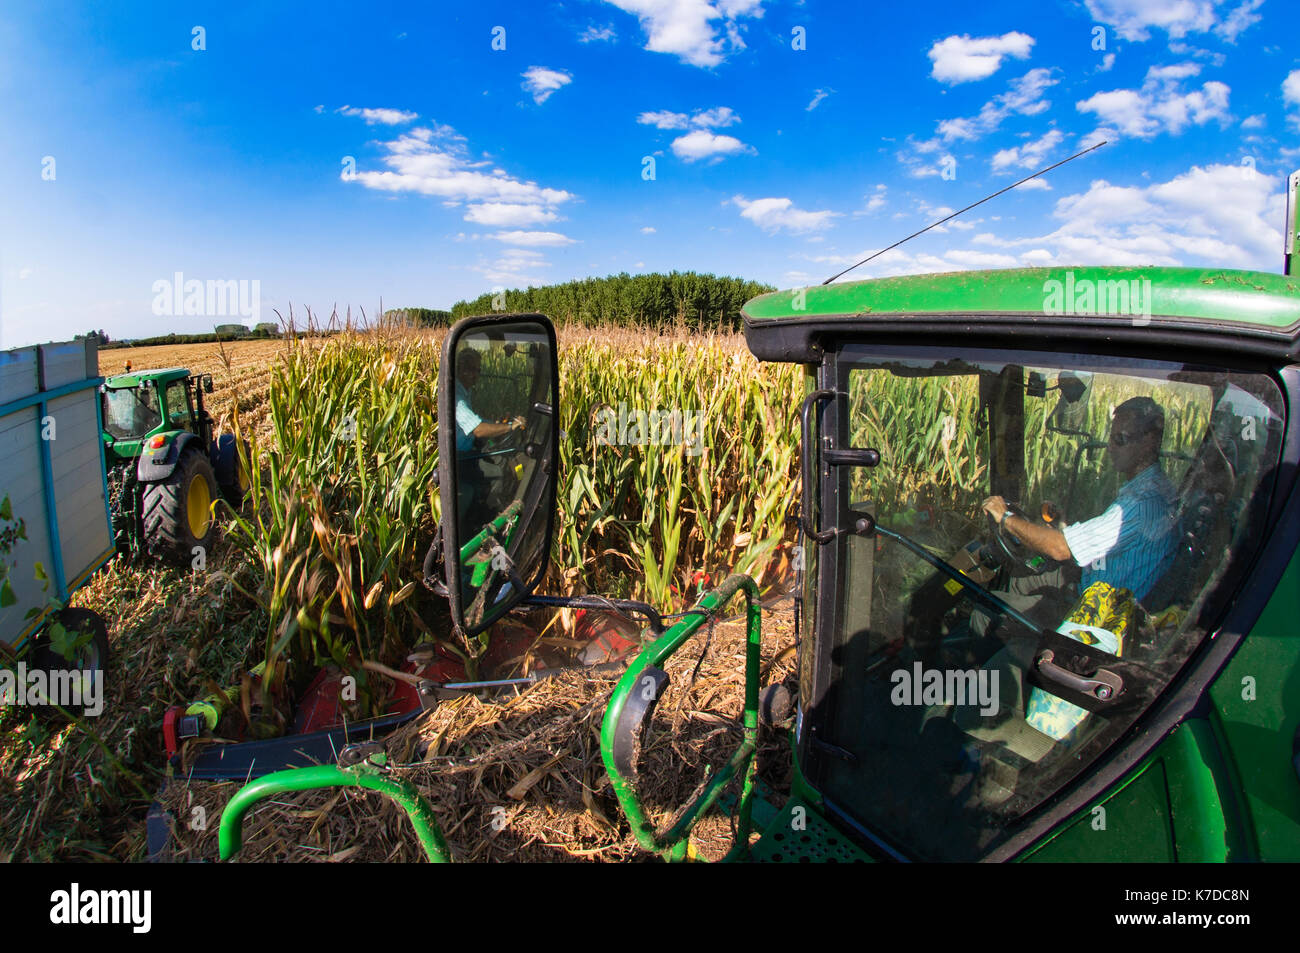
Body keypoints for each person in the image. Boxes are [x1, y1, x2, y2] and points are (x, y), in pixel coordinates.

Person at [977, 396, 1177, 634]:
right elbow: (1111, 542)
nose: (1110, 447)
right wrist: (1064, 525)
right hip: (1098, 586)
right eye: (1111, 438)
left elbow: (1060, 549)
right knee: (1019, 580)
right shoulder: (1154, 488)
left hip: (1094, 617)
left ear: (1148, 442)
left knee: (983, 611)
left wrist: (1005, 518)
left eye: (1119, 439)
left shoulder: (1139, 502)